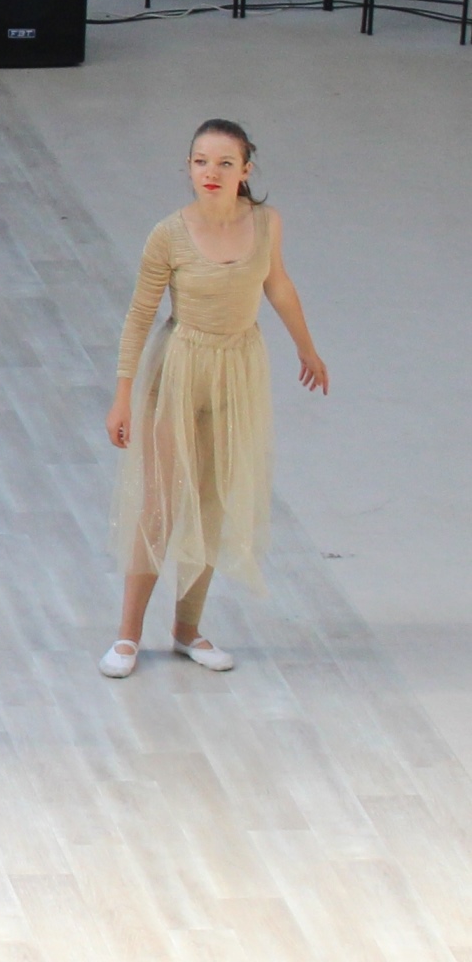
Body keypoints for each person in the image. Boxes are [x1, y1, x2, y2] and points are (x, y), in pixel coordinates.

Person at [103, 118, 328, 678]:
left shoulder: (266, 223)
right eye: (201, 161)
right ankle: (127, 636)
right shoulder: (169, 234)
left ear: (245, 170)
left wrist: (307, 349)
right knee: (160, 505)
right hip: (180, 369)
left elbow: (278, 284)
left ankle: (187, 630)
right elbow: (140, 315)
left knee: (211, 502)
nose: (211, 172)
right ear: (188, 167)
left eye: (225, 163)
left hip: (238, 369)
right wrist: (122, 395)